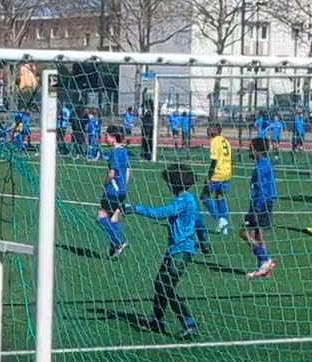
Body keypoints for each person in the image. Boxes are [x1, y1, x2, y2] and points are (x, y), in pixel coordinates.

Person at [131, 164, 202, 340]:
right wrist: (205, 241)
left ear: (173, 184)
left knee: (165, 286)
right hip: (175, 251)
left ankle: (189, 323)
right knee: (159, 284)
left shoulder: (183, 201)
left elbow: (160, 214)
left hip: (181, 251)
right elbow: (199, 221)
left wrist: (135, 208)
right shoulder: (189, 199)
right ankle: (156, 321)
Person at [242, 137, 277, 278]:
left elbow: (262, 189)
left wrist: (256, 208)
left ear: (256, 150)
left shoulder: (260, 168)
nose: (248, 150)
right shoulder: (265, 164)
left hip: (261, 203)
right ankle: (264, 269)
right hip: (264, 202)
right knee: (258, 234)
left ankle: (266, 259)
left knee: (244, 232)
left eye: (250, 148)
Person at [97, 128, 130, 258]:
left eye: (107, 136)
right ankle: (114, 247)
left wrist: (105, 183)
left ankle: (118, 242)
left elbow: (112, 173)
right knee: (114, 215)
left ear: (113, 137)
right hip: (122, 190)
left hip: (112, 190)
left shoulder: (115, 153)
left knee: (101, 216)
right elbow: (128, 171)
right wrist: (124, 187)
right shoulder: (124, 152)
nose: (105, 138)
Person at [204, 124, 233, 235]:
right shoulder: (225, 141)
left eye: (210, 129)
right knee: (219, 196)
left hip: (218, 174)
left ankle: (221, 220)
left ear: (214, 131)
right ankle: (224, 224)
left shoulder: (215, 141)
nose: (208, 131)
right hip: (227, 173)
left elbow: (214, 161)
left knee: (204, 196)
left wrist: (209, 176)